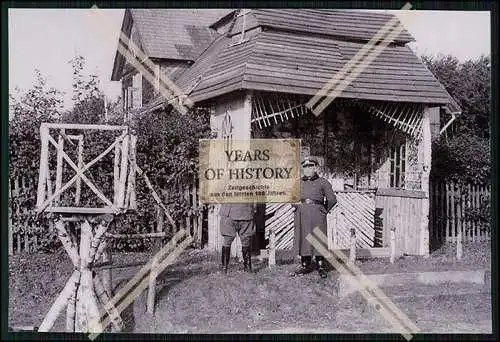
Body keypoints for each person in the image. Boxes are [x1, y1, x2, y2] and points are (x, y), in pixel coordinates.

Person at [292, 156, 337, 278]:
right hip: (302, 215)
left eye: (310, 167)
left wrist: (323, 210)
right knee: (304, 238)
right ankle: (305, 265)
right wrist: (296, 206)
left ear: (315, 168)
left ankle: (321, 266)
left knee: (318, 238)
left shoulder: (323, 182)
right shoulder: (298, 182)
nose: (307, 170)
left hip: (317, 215)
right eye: (305, 167)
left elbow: (332, 199)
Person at [219, 203, 256, 273]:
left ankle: (224, 268)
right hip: (244, 213)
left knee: (228, 240)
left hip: (231, 213)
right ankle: (247, 268)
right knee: (245, 240)